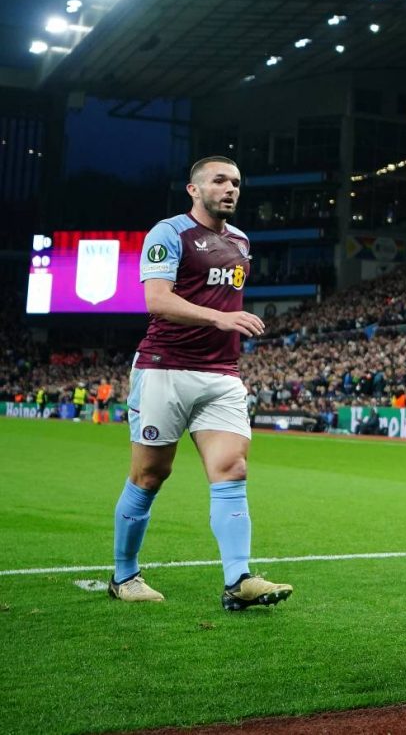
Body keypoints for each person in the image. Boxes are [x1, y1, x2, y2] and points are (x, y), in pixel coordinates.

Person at [109, 156, 292, 614]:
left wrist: (223, 326)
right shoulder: (169, 233)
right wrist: (219, 316)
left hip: (221, 375)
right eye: (219, 180)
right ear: (194, 190)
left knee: (232, 468)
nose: (231, 188)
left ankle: (238, 580)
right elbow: (156, 299)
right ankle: (124, 574)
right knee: (150, 475)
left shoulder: (241, 241)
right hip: (163, 368)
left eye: (236, 182)